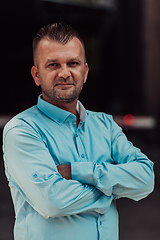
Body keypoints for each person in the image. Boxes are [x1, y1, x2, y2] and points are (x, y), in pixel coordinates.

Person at [3, 23, 154, 240]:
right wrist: (113, 188)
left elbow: (146, 179)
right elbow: (53, 202)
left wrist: (80, 171)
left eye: (72, 63)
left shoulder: (105, 125)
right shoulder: (22, 130)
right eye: (53, 65)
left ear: (84, 72)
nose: (64, 73)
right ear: (36, 75)